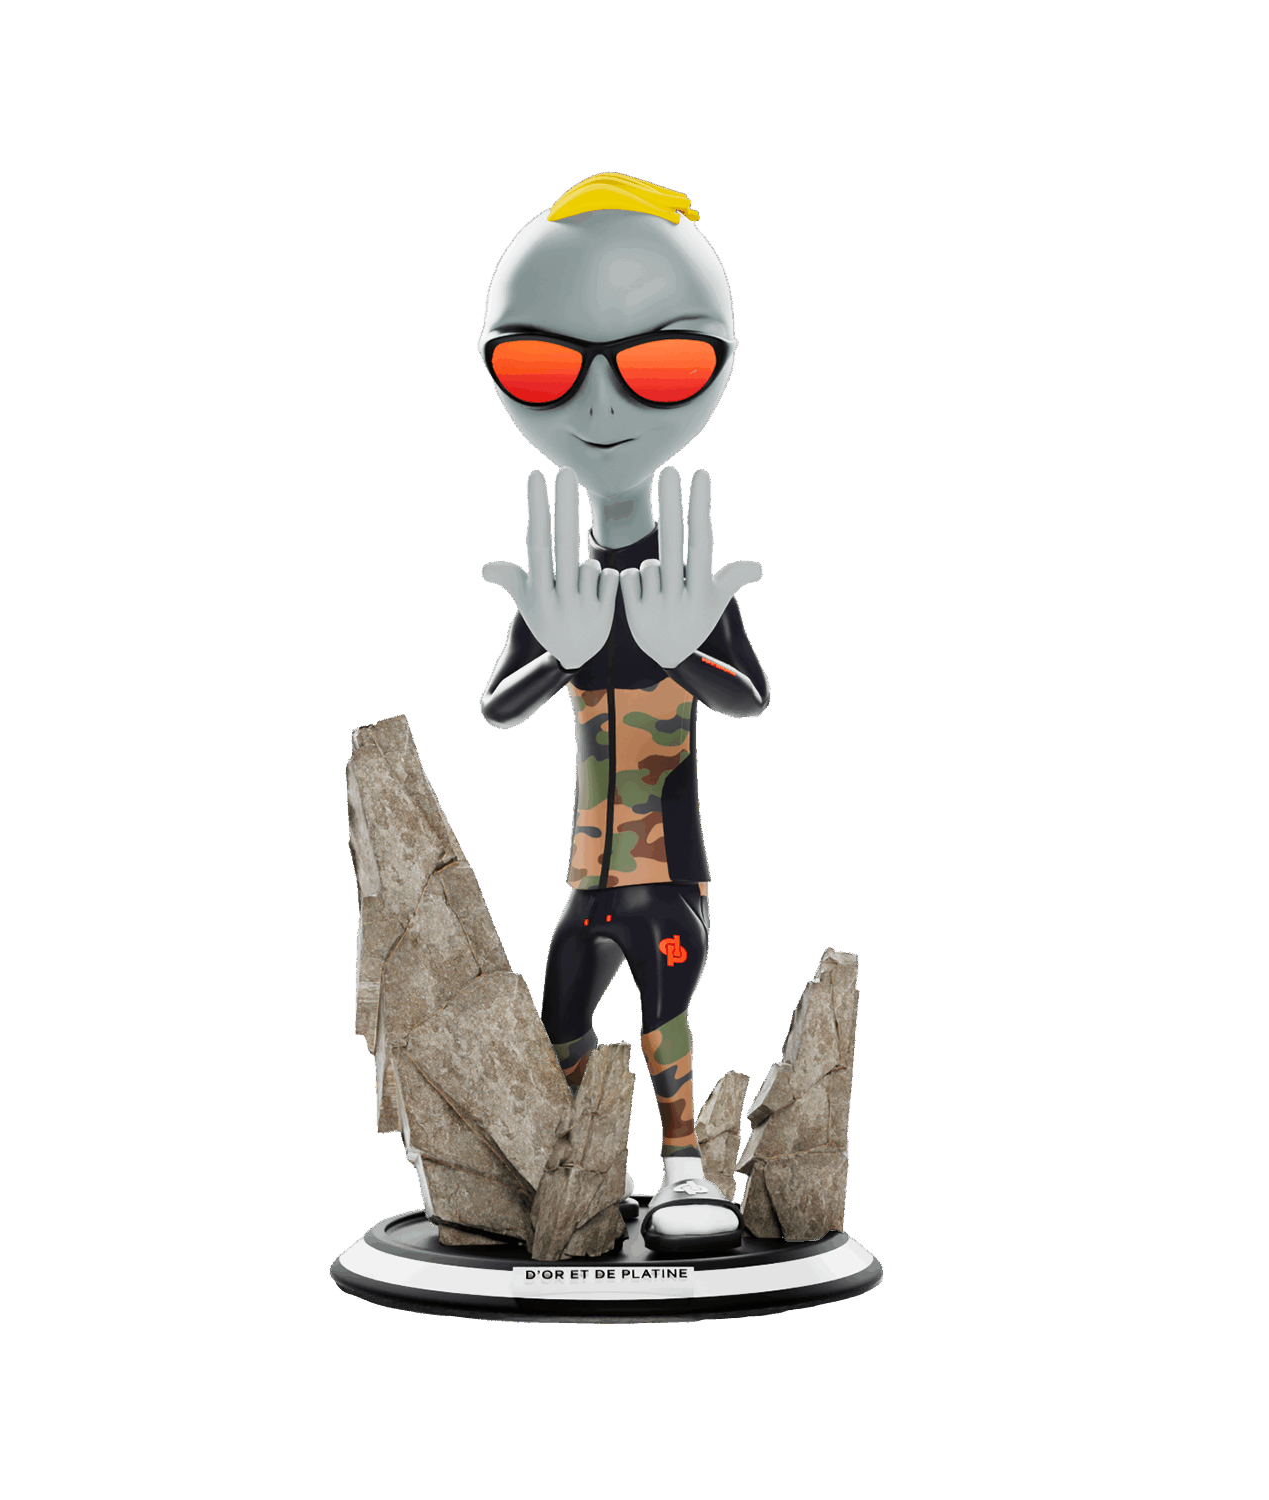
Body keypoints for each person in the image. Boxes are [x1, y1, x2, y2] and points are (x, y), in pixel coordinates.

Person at [477, 174, 768, 1249]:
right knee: (557, 1016)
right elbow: (499, 702)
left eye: (660, 364)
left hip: (667, 871)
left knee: (663, 1017)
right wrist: (557, 652)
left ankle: (684, 1170)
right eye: (544, 365)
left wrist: (684, 645)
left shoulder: (690, 583)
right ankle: (563, 1170)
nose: (602, 407)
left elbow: (749, 695)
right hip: (589, 875)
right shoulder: (560, 585)